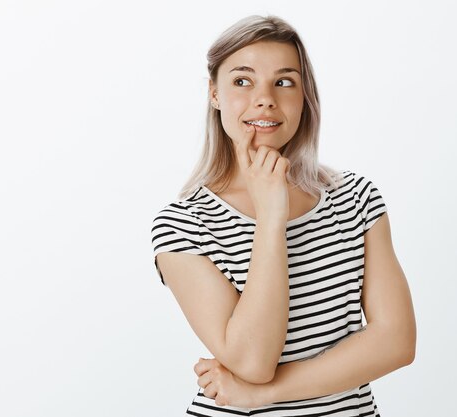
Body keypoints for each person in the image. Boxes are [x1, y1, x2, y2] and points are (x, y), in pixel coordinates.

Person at [150, 15, 416, 416]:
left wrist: (265, 395)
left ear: (303, 95)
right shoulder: (183, 224)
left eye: (284, 81)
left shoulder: (355, 198)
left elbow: (396, 342)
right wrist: (271, 217)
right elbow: (253, 361)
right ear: (215, 93)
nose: (265, 98)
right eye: (242, 81)